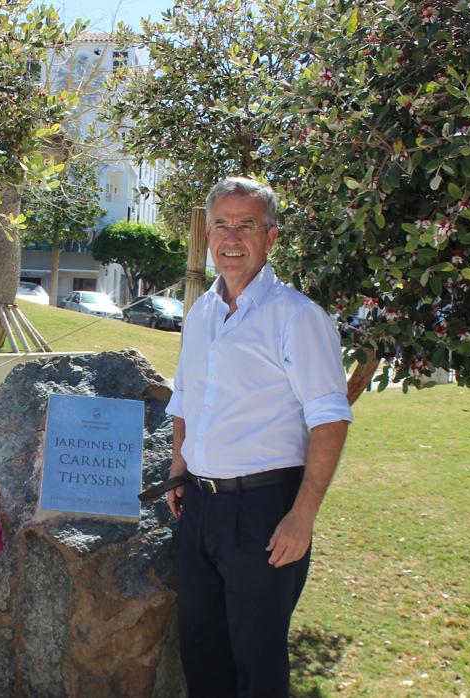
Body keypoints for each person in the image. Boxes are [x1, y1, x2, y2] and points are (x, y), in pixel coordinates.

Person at [165, 177, 353, 697]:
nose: (231, 237)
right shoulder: (201, 312)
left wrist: (303, 516)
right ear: (207, 234)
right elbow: (185, 398)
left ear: (270, 237)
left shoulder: (298, 317)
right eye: (221, 225)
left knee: (257, 665)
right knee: (202, 656)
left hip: (264, 513)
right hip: (199, 509)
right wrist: (179, 469)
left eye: (245, 225)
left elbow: (331, 420)